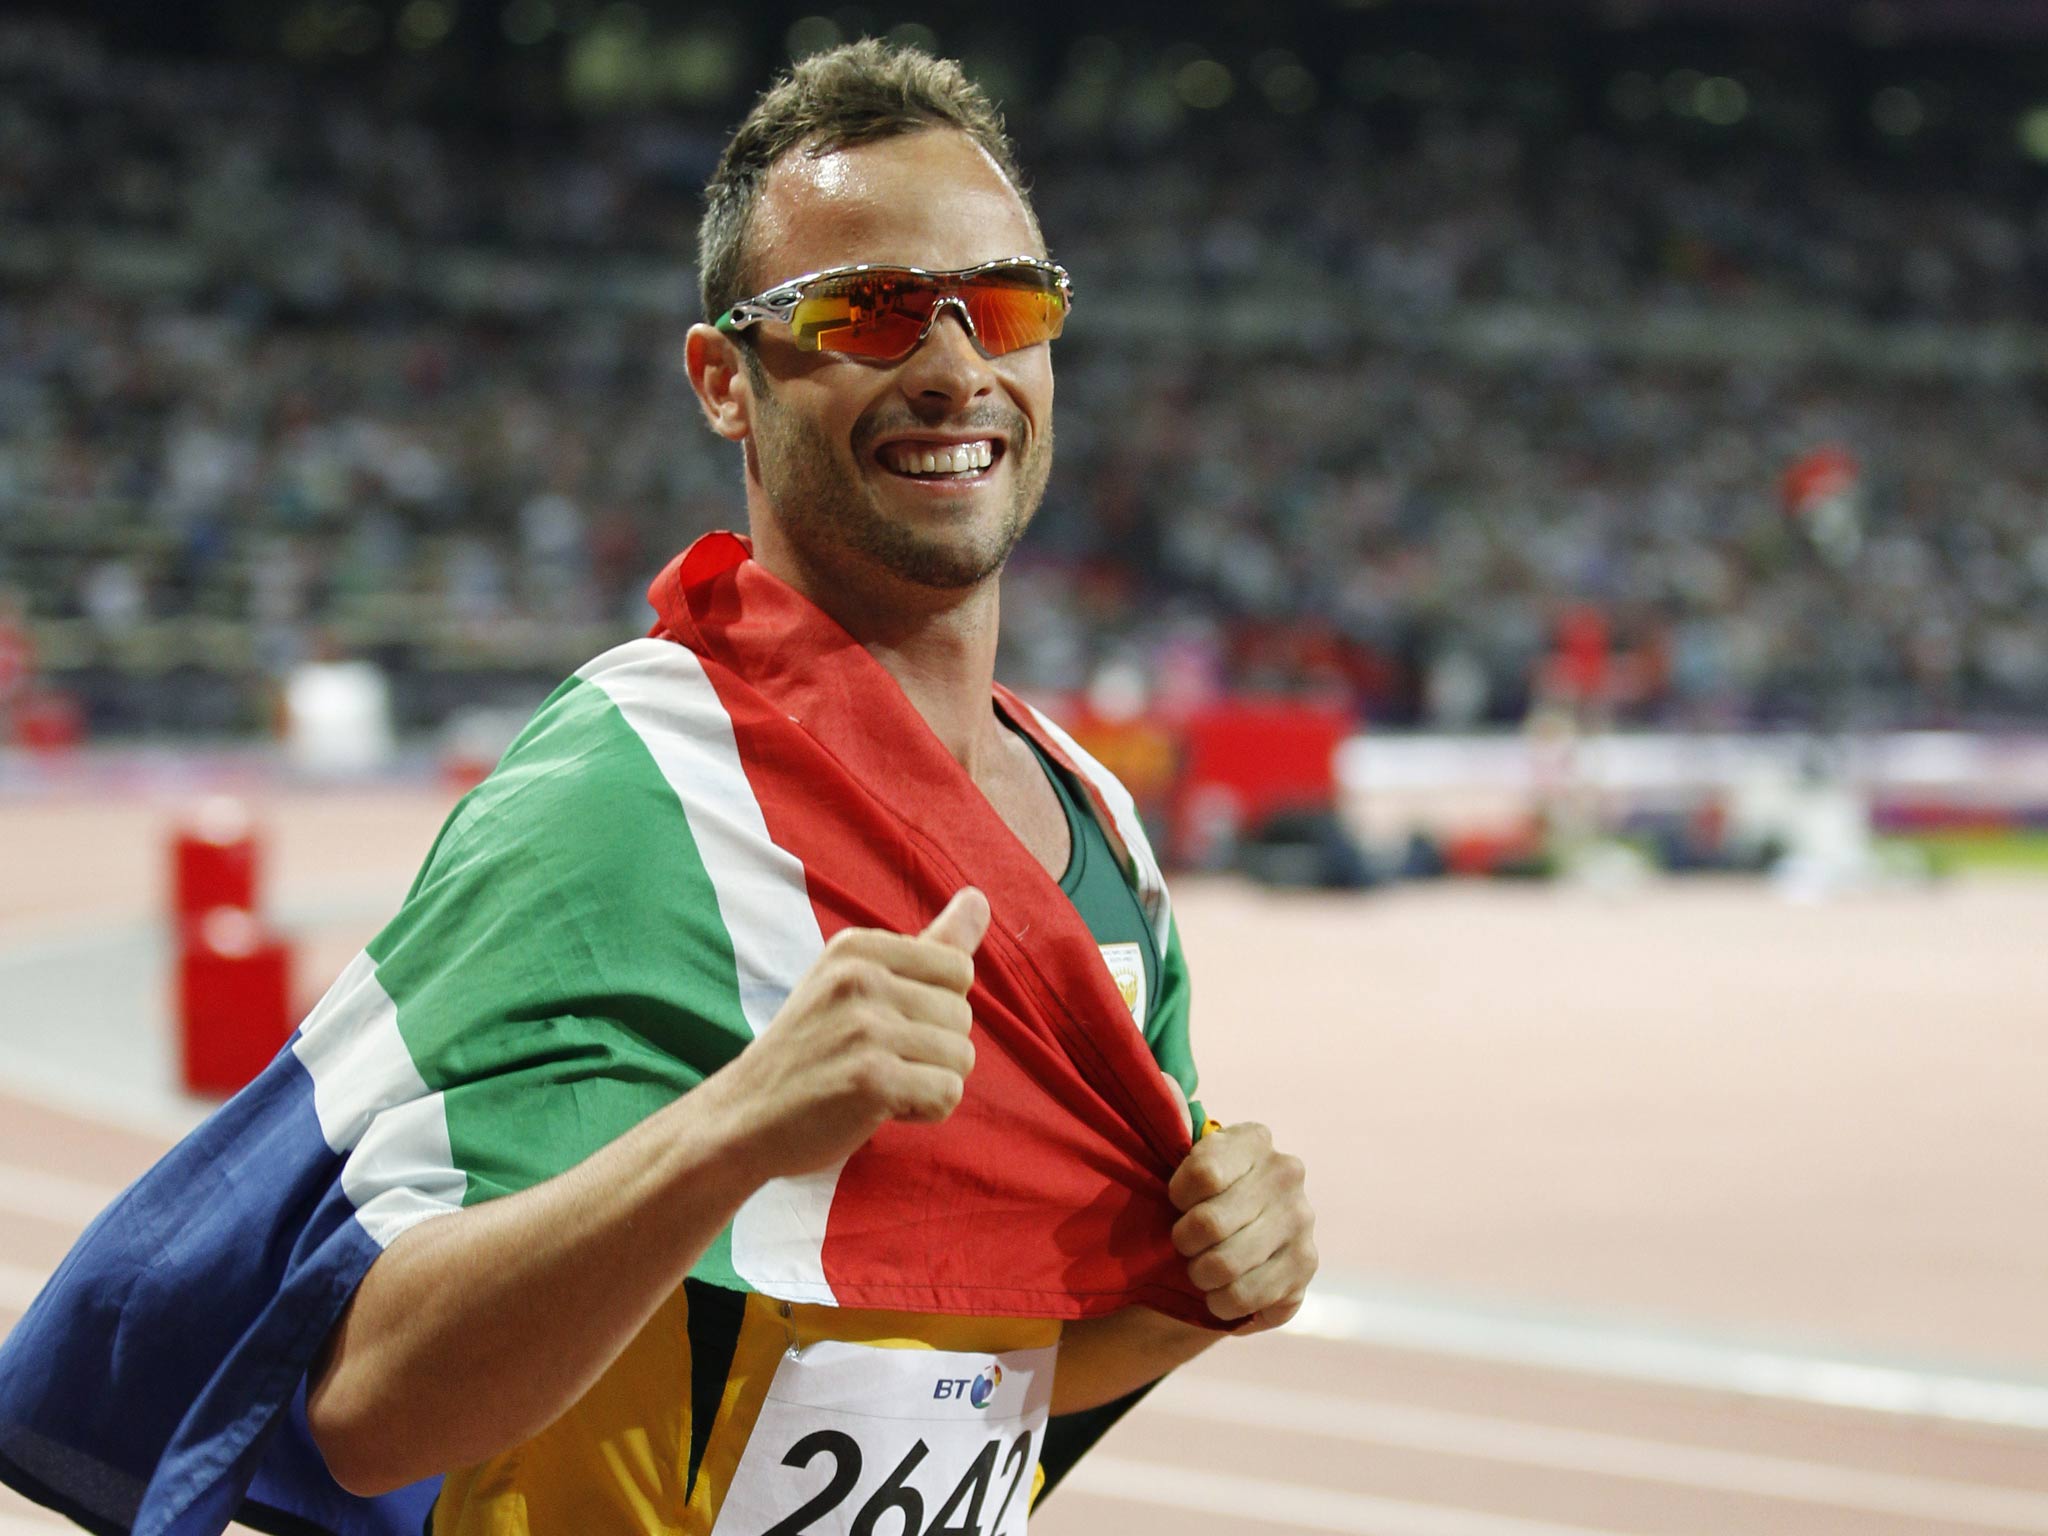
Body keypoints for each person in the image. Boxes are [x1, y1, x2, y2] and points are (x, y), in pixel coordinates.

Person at [0, 41, 1315, 1536]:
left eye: (1003, 305)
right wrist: (736, 1128)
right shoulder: (630, 791)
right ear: (724, 385)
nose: (955, 364)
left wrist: (1215, 1283)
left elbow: (998, 1356)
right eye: (868, 313)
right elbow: (368, 1410)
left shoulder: (1101, 846)